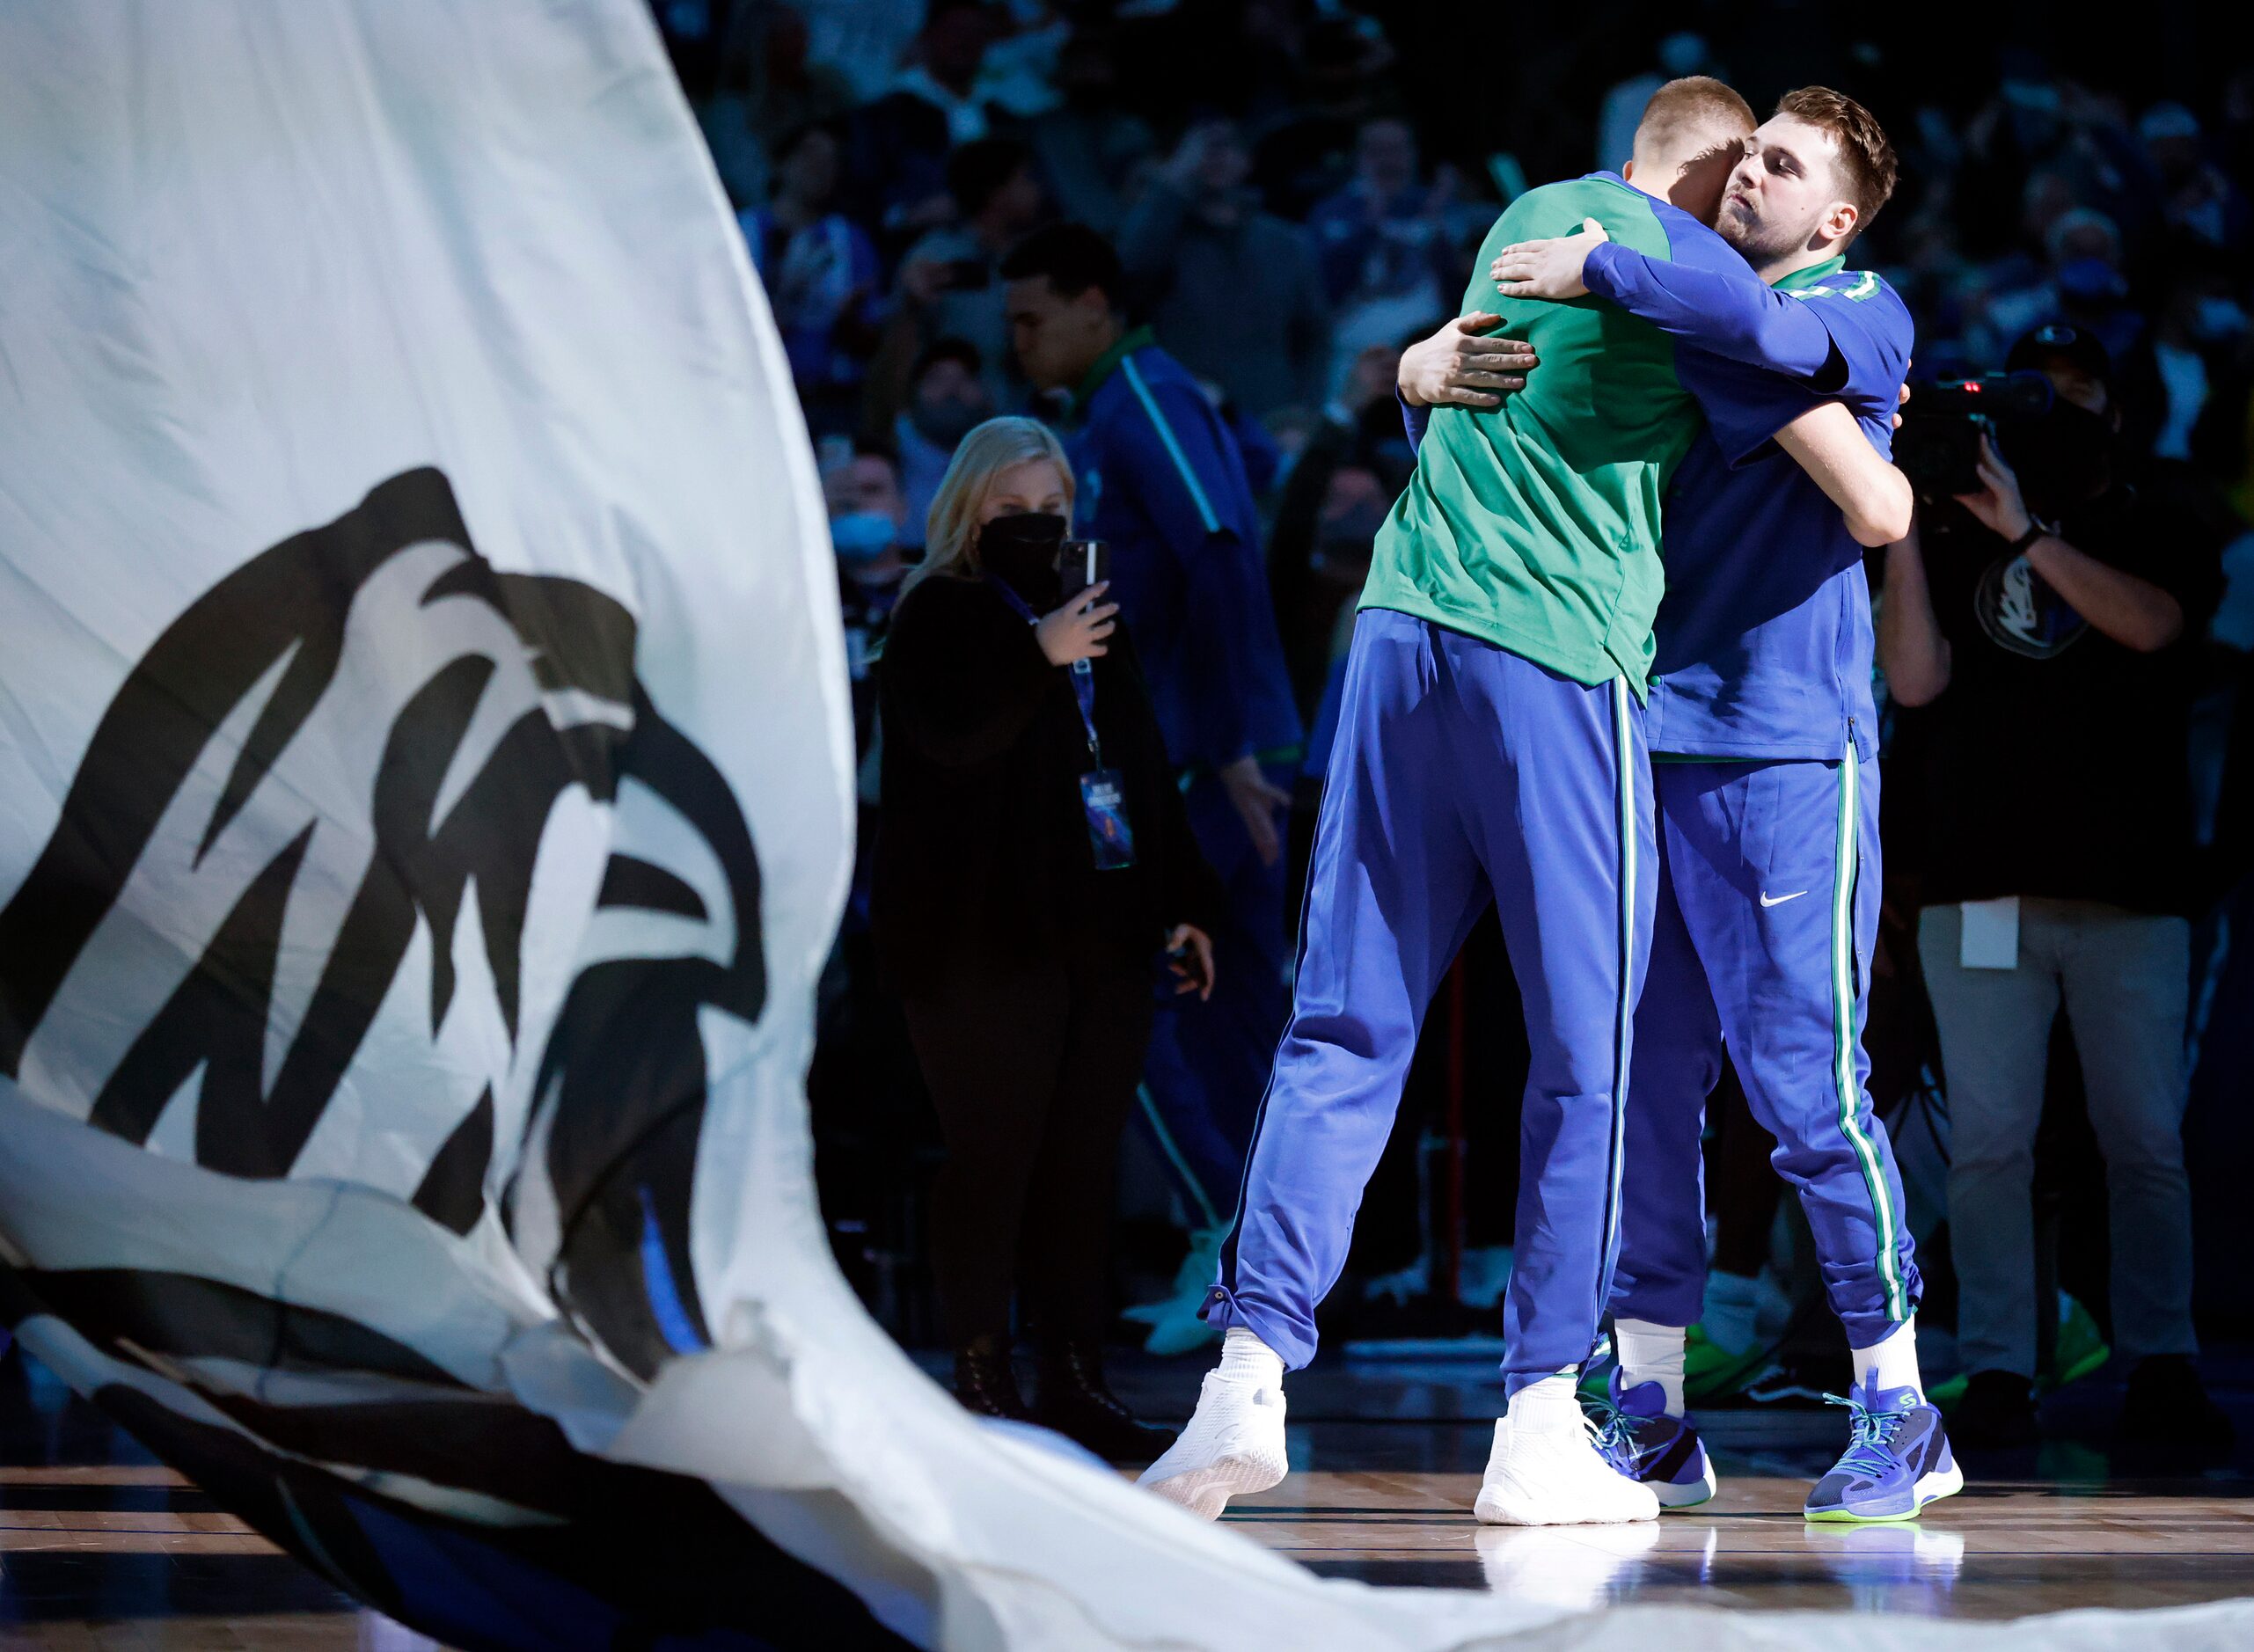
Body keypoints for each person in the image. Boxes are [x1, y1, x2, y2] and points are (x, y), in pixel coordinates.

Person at [1140, 77, 1850, 1530]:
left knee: (1340, 1025)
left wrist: (1406, 371)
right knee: (1585, 1054)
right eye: (1752, 169)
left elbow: (1433, 385)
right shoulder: (1697, 270)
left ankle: (1244, 1376)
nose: (1755, 195)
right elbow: (1861, 482)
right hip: (1554, 668)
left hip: (1396, 640)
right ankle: (1536, 1419)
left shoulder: (1524, 218)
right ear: (1713, 169)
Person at [1475, 86, 1958, 1522]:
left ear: (1838, 215)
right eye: (1744, 152)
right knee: (1643, 1091)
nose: (1749, 171)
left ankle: (1900, 1404)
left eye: (1784, 163)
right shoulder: (1697, 317)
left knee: (1809, 1095)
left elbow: (1805, 389)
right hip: (1652, 738)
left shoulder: (1854, 302)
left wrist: (1609, 261)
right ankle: (1653, 1407)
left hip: (1785, 753)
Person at [1877, 322, 2230, 1451]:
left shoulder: (2163, 517)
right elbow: (1917, 683)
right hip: (1980, 888)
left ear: (2117, 414)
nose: (2049, 419)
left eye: (2073, 398)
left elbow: (2156, 626)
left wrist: (2028, 532)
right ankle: (1996, 1373)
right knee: (1988, 1143)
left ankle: (2163, 1363)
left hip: (2132, 891)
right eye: (2031, 399)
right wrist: (1905, 527)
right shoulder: (1947, 519)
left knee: (2144, 1140)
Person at [873, 416, 1218, 1461]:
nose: (1033, 526)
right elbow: (950, 742)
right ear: (968, 508)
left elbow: (1144, 770)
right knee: (994, 1155)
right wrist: (1038, 654)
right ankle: (981, 1372)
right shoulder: (935, 611)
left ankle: (1075, 1374)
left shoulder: (1093, 611)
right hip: (977, 937)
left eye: (1050, 509)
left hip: (1095, 927)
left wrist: (1186, 899)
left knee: (1080, 1163)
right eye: (1011, 508)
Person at [999, 223, 1305, 1333]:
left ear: (1093, 303)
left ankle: (1228, 1237)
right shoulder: (1149, 397)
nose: (1021, 342)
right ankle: (1261, 1267)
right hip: (1208, 752)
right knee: (1226, 1013)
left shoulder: (1145, 400)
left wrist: (1223, 744)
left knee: (1123, 999)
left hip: (1202, 763)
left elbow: (1222, 544)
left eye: (1032, 318)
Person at [1115, 120, 1331, 417]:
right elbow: (1126, 273)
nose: (1213, 156)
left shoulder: (1286, 243)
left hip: (1271, 420)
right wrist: (1173, 183)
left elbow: (1314, 337)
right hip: (1188, 418)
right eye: (1200, 149)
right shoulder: (1160, 240)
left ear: (1247, 161)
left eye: (1225, 146)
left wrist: (1304, 412)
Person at [740, 122, 883, 439]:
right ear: (781, 162)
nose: (820, 167)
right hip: (757, 395)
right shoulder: (741, 233)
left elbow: (870, 340)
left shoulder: (850, 240)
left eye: (832, 160)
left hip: (832, 399)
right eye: (809, 154)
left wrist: (847, 322)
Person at [889, 339, 992, 552]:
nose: (952, 390)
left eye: (965, 379)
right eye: (938, 379)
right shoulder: (883, 465)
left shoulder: (1006, 465)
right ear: (912, 394)